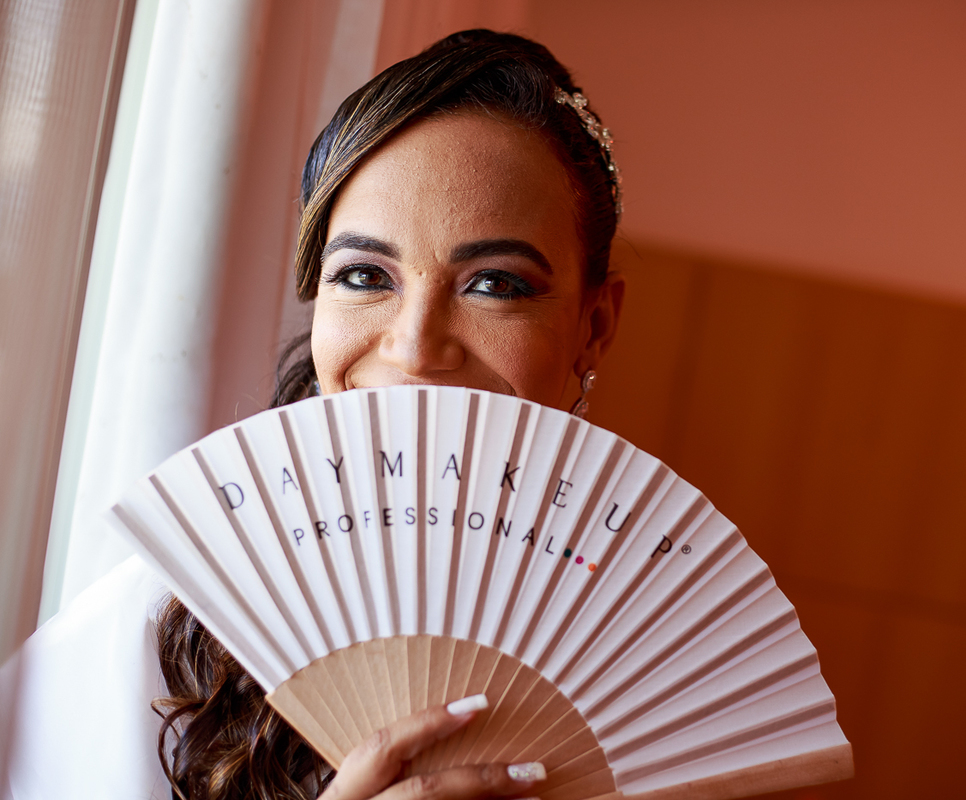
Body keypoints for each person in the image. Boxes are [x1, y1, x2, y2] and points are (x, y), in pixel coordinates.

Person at [5, 29, 624, 800]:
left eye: (495, 284)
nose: (414, 348)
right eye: (365, 275)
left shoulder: (662, 640)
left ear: (595, 325)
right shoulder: (162, 628)